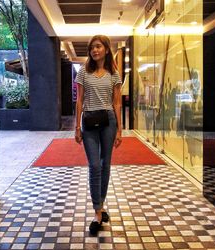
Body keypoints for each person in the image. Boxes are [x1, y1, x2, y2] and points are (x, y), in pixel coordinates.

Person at [74, 35, 122, 234]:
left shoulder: (114, 74)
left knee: (105, 164)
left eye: (98, 46)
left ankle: (100, 207)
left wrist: (120, 129)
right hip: (89, 121)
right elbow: (79, 101)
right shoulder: (83, 72)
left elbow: (117, 103)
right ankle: (97, 210)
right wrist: (76, 127)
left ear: (106, 49)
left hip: (109, 121)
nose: (94, 50)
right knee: (94, 165)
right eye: (92, 47)